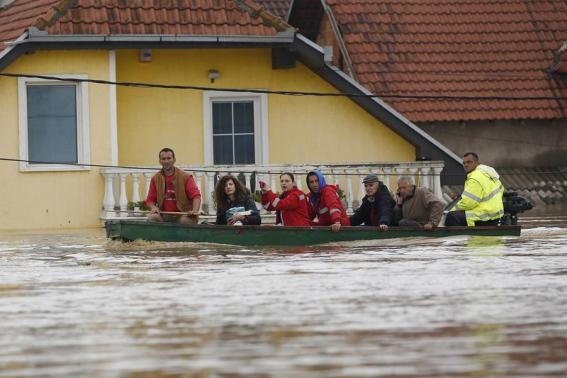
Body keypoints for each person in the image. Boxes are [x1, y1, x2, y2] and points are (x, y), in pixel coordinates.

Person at [445, 152, 505, 227]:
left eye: (469, 162)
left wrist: (452, 210)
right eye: (464, 163)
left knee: (451, 216)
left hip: (484, 216)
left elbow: (468, 203)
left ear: (477, 162)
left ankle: (459, 236)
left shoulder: (475, 178)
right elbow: (501, 190)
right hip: (495, 215)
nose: (466, 165)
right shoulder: (488, 173)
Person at [145, 148, 201, 224]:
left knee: (185, 221)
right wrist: (154, 207)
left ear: (174, 160)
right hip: (163, 215)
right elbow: (150, 200)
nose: (166, 161)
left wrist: (194, 211)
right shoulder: (155, 178)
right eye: (163, 159)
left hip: (182, 215)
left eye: (169, 158)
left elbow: (196, 196)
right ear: (160, 161)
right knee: (152, 218)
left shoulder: (186, 177)